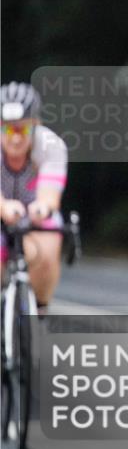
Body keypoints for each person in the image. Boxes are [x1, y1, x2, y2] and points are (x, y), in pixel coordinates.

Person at [0, 82, 69, 315]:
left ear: (35, 125)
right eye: (8, 130)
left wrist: (42, 208)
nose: (15, 139)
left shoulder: (51, 145)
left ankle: (39, 313)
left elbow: (50, 196)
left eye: (23, 130)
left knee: (47, 251)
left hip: (32, 216)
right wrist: (4, 207)